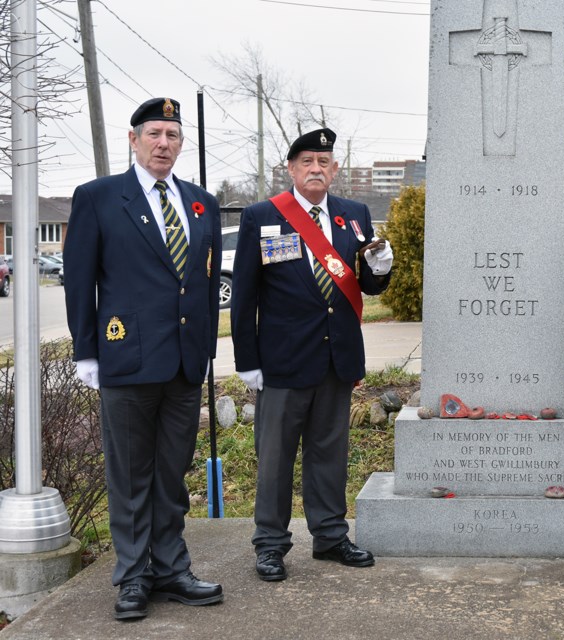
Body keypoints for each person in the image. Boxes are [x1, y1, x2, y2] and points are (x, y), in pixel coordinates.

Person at [64, 97, 223, 620]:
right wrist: (86, 350)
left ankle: (171, 568)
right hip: (126, 357)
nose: (164, 143)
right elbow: (80, 280)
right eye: (154, 133)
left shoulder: (201, 203)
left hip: (183, 361)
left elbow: (199, 283)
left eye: (173, 135)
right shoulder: (100, 197)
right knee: (131, 475)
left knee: (171, 474)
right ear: (133, 140)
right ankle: (132, 578)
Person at [231, 128, 393, 582]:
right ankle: (270, 545)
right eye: (306, 162)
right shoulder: (262, 217)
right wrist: (248, 360)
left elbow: (365, 282)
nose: (316, 169)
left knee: (329, 454)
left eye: (324, 162)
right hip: (282, 360)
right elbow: (244, 296)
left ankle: (329, 536)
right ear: (292, 169)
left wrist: (381, 269)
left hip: (336, 358)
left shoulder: (354, 215)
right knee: (275, 459)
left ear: (335, 169)